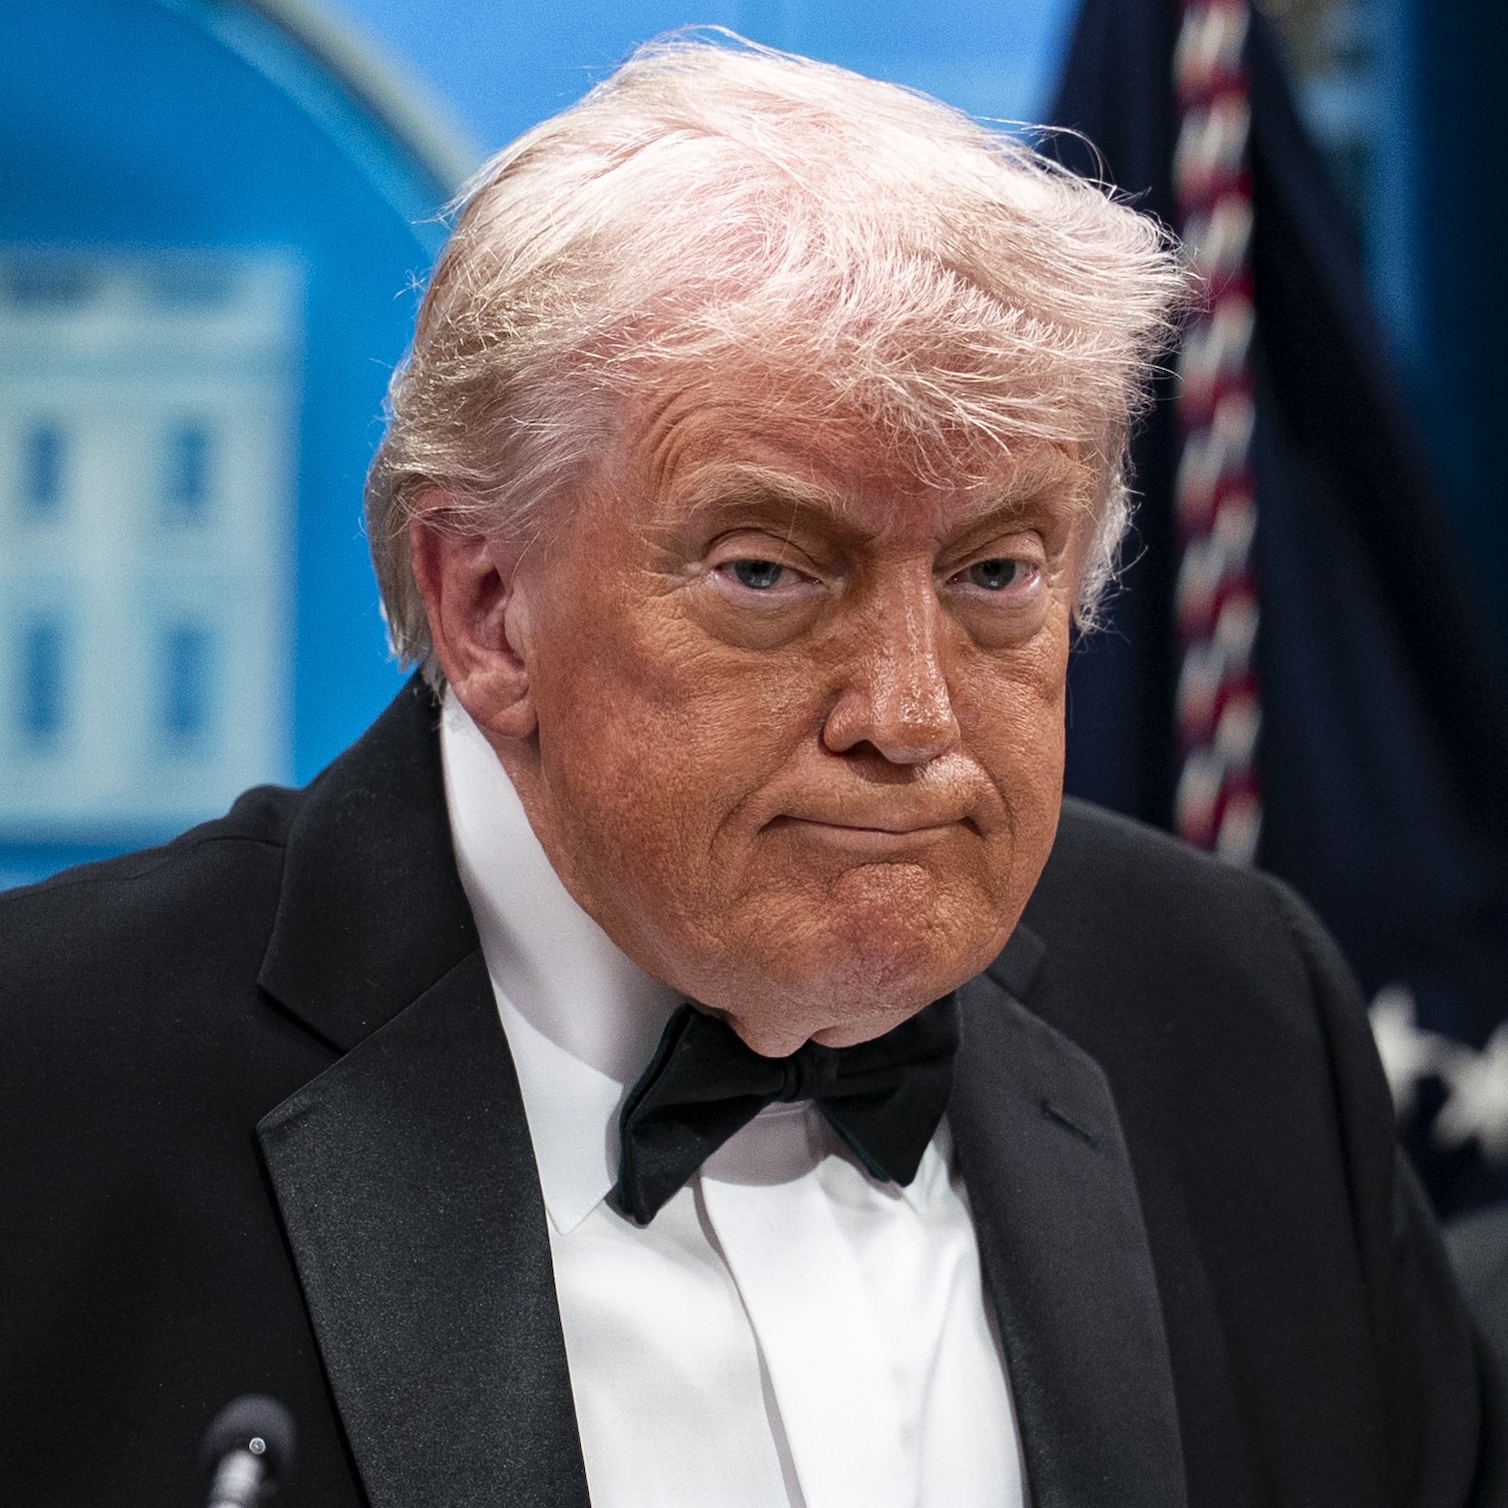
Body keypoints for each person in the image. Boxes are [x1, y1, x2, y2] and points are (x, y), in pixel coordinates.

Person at [1, 36, 1501, 1508]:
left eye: (994, 572)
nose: (909, 714)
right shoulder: (51, 1089)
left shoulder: (1236, 1017)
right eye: (769, 571)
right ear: (488, 606)